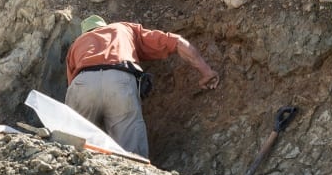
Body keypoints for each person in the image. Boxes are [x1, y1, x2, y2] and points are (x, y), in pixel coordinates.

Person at [65, 15, 219, 158]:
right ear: (104, 25)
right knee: (132, 156)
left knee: (75, 146)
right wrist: (206, 71)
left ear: (85, 32)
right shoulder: (123, 28)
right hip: (119, 79)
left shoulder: (76, 45)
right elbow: (176, 42)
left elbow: (72, 84)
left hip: (83, 82)